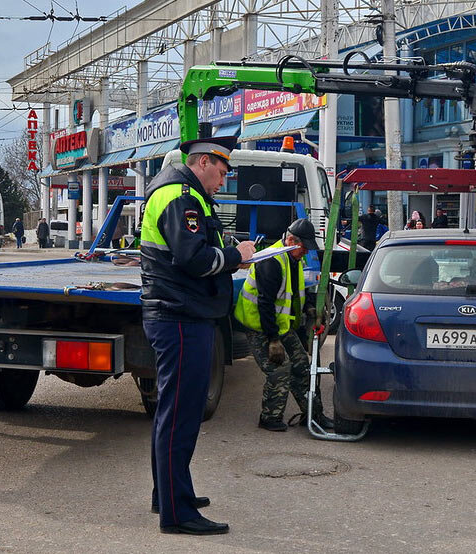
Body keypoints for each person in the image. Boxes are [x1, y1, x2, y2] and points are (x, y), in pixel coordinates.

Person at [140, 135, 256, 536]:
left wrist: (230, 254)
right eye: (221, 173)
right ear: (203, 162)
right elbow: (193, 259)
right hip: (181, 315)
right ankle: (178, 513)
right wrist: (236, 257)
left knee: (172, 412)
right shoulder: (181, 197)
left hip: (180, 313)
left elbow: (196, 250)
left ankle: (168, 494)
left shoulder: (186, 194)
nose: (222, 181)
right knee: (181, 415)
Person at [234, 218, 335, 432]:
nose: (305, 252)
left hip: (281, 325)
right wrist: (273, 340)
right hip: (259, 326)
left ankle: (313, 415)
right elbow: (266, 304)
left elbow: (296, 292)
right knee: (279, 369)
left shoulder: (293, 258)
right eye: (304, 248)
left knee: (303, 366)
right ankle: (269, 418)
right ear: (290, 241)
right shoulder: (271, 261)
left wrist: (309, 307)